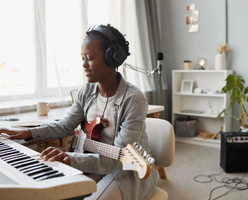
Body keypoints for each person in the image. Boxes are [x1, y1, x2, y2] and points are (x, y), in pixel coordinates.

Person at [0, 24, 157, 200]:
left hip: (122, 169)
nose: (84, 64)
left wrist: (69, 158)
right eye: (82, 58)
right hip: (91, 162)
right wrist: (28, 132)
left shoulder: (134, 99)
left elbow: (119, 157)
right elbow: (65, 126)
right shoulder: (87, 91)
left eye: (89, 58)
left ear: (112, 58)